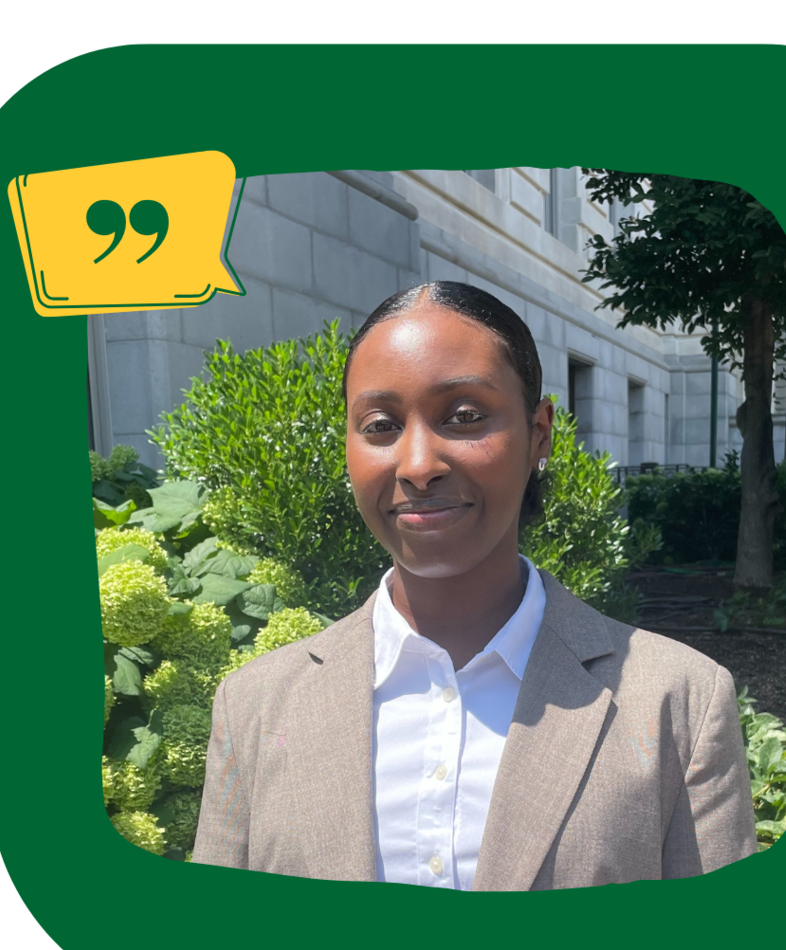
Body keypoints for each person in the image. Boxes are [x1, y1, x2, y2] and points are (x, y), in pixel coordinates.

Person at [192, 281, 757, 890]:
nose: (417, 465)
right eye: (380, 425)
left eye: (464, 417)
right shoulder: (255, 706)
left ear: (539, 433)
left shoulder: (677, 703)